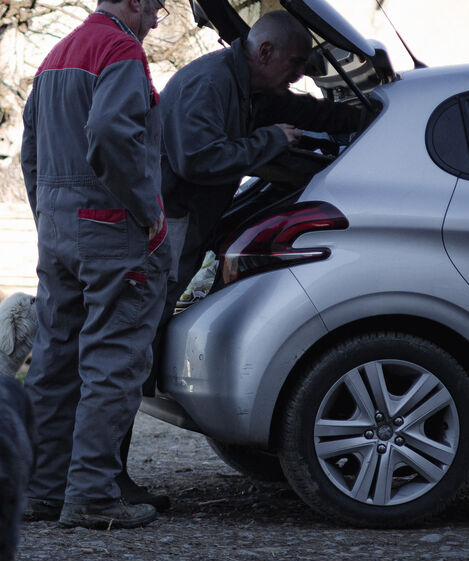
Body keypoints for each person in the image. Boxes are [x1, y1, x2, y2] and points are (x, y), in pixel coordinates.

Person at [116, 9, 375, 489]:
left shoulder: (249, 84)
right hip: (168, 228)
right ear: (266, 51)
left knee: (138, 345)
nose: (300, 75)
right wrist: (269, 141)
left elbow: (304, 111)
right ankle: (106, 479)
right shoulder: (211, 84)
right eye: (295, 64)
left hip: (182, 226)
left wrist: (369, 116)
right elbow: (197, 159)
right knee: (132, 347)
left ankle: (103, 476)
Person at [19, 0, 170, 530]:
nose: (156, 19)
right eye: (156, 6)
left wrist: (47, 214)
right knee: (113, 358)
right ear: (134, 1)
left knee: (54, 358)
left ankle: (41, 490)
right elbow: (109, 131)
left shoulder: (55, 56)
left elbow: (30, 151)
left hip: (58, 228)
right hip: (110, 227)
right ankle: (91, 496)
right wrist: (148, 208)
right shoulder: (119, 48)